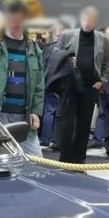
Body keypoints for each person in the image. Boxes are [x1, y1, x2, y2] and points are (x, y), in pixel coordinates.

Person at [0, 0, 45, 157]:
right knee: (0, 161)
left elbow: (39, 83)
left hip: (25, 117)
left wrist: (36, 111)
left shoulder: (34, 48)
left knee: (36, 163)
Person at [55, 6, 109, 163]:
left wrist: (102, 81)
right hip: (70, 87)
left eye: (91, 20)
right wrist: (66, 58)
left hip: (90, 88)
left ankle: (79, 161)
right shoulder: (67, 36)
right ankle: (65, 160)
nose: (87, 22)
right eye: (85, 19)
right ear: (80, 20)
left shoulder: (102, 39)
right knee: (67, 124)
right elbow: (55, 55)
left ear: (95, 21)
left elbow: (107, 63)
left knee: (84, 126)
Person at [40, 18, 70, 148]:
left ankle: (46, 138)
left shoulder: (47, 48)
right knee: (58, 113)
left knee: (48, 112)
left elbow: (42, 65)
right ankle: (56, 140)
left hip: (48, 83)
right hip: (61, 84)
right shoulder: (65, 50)